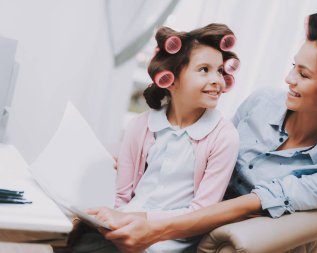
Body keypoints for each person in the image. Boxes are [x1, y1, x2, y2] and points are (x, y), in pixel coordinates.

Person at [87, 11, 317, 253]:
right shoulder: (262, 102)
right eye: (294, 66)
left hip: (213, 225)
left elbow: (247, 206)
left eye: (303, 74)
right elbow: (209, 145)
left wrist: (152, 227)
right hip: (183, 207)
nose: (288, 79)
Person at [73, 24, 241, 253]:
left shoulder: (224, 137)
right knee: (82, 238)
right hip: (124, 226)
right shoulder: (140, 126)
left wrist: (141, 219)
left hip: (172, 241)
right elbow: (122, 195)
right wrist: (117, 222)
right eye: (204, 69)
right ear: (170, 80)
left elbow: (203, 211)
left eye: (220, 71)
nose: (217, 80)